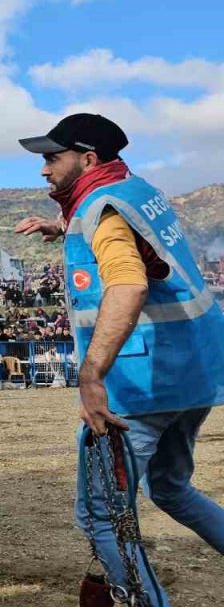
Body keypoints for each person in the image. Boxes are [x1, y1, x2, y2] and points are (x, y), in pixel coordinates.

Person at [17, 113, 224, 603]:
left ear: (87, 159)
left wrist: (91, 376)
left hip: (142, 382)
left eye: (52, 158)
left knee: (100, 515)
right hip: (192, 375)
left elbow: (128, 283)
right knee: (171, 488)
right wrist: (60, 226)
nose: (44, 170)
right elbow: (120, 232)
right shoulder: (132, 188)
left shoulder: (102, 212)